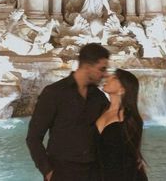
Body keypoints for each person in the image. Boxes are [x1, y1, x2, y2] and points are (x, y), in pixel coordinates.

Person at [26, 43, 110, 181]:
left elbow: (111, 131)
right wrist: (48, 172)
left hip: (93, 172)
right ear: (87, 66)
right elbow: (33, 137)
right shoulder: (54, 93)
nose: (105, 74)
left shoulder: (99, 97)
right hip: (62, 171)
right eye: (102, 69)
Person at [96, 68, 148, 181]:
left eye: (114, 78)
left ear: (122, 89)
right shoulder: (98, 109)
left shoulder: (131, 119)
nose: (108, 77)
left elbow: (131, 157)